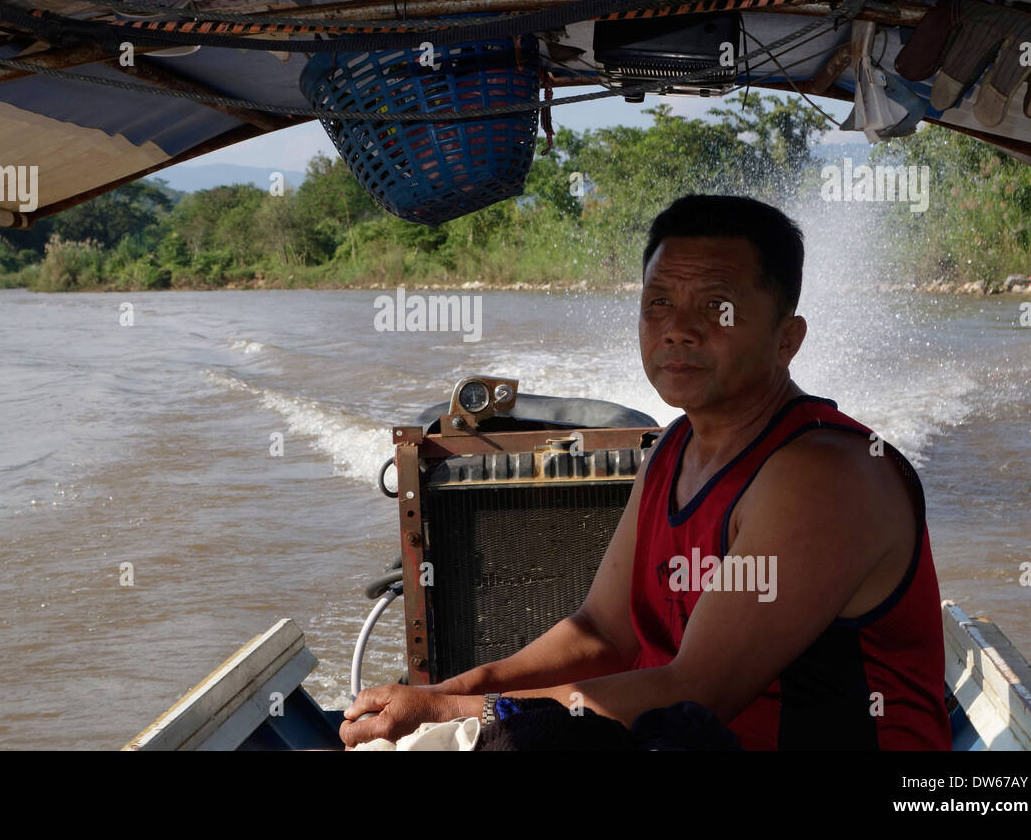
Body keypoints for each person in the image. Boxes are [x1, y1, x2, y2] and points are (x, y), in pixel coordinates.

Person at [340, 194, 952, 750]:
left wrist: (454, 711)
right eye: (659, 302)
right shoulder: (672, 448)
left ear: (787, 339)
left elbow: (696, 689)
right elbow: (603, 631)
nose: (679, 329)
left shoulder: (822, 475)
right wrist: (451, 691)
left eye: (719, 306)